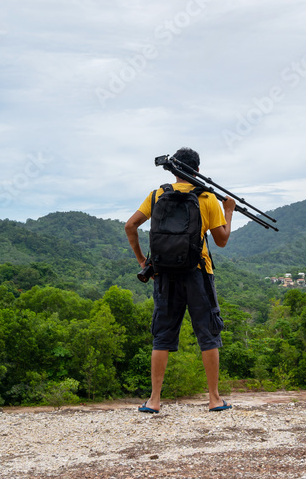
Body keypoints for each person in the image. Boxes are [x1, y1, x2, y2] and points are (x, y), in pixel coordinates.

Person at [124, 147, 236, 413]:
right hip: (198, 272)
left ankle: (154, 400)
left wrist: (143, 261)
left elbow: (130, 226)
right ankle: (214, 399)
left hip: (164, 273)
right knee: (208, 334)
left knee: (162, 336)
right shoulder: (206, 197)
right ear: (197, 171)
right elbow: (221, 241)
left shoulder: (156, 195)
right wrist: (228, 211)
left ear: (174, 171)